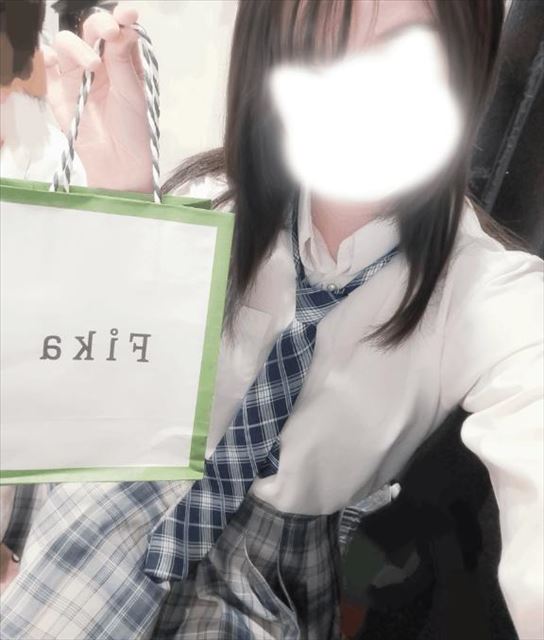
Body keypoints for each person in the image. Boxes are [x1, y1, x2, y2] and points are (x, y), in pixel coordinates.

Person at [1, 1, 543, 639]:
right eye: (317, 42)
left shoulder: (487, 295)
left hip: (272, 580)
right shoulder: (207, 204)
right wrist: (125, 210)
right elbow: (75, 372)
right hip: (118, 496)